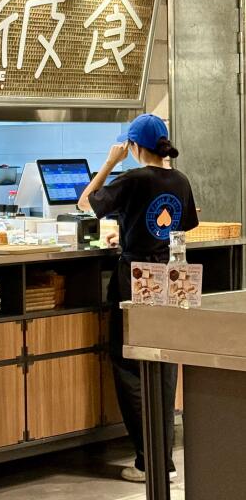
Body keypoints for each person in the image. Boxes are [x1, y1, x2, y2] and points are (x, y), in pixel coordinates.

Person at [78, 113, 198, 484]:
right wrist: (131, 233)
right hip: (171, 276)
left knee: (129, 364)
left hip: (136, 278)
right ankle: (164, 458)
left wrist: (108, 163)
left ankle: (149, 461)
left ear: (133, 146)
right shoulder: (180, 180)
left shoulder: (133, 177)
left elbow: (86, 202)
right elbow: (178, 228)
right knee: (164, 364)